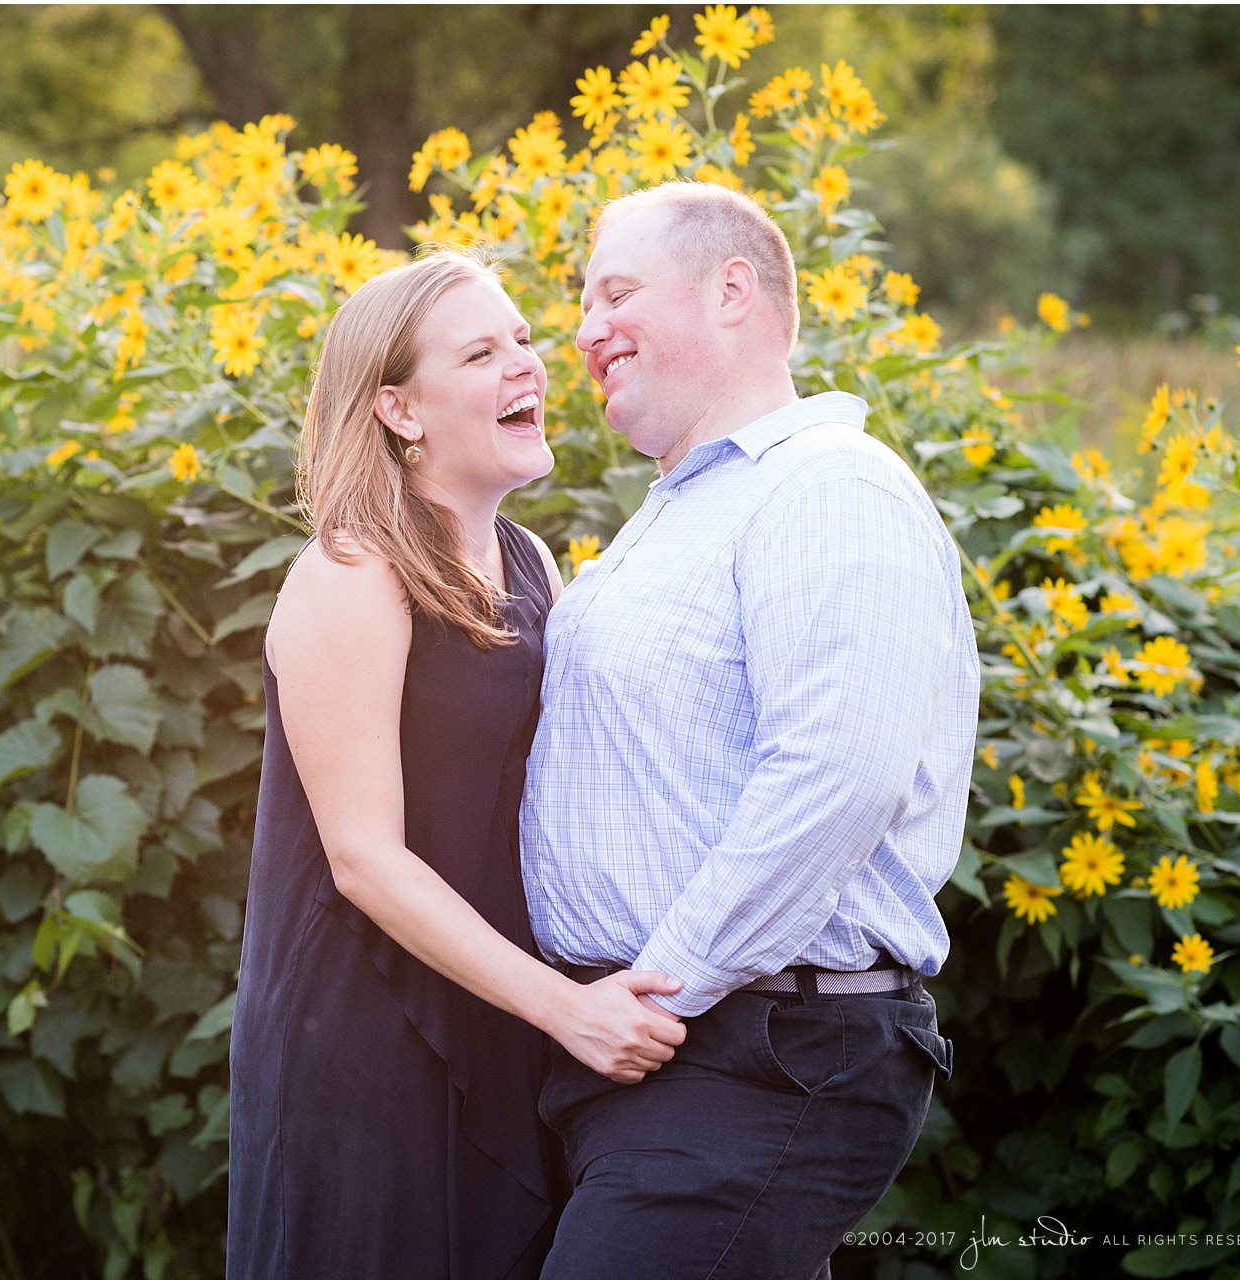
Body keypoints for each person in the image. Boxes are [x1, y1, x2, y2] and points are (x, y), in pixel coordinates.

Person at [520, 182, 979, 1279]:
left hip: (750, 1049)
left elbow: (837, 777)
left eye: (615, 291)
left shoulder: (827, 488)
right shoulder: (683, 508)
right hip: (655, 1054)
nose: (584, 332)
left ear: (733, 291)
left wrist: (659, 988)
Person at [227, 249, 685, 1280]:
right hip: (367, 1027)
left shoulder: (532, 562)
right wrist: (566, 1008)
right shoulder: (353, 572)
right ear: (399, 409)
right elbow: (362, 860)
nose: (527, 364)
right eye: (482, 351)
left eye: (524, 339)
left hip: (505, 1008)